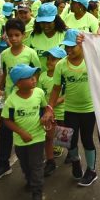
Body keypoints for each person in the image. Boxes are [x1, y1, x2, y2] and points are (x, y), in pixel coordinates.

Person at [41, 29, 98, 187]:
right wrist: (49, 108)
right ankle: (75, 160)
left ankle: (91, 171)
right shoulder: (61, 65)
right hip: (69, 109)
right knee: (68, 141)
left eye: (72, 47)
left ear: (81, 45)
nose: (68, 50)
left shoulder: (91, 60)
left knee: (87, 140)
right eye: (66, 47)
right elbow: (56, 88)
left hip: (89, 109)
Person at [0, 18, 41, 181]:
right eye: (10, 35)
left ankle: (35, 166)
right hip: (10, 100)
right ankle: (3, 164)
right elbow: (5, 73)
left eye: (17, 35)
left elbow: (37, 73)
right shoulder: (4, 54)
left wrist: (34, 92)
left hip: (27, 100)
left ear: (23, 35)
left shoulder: (30, 53)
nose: (13, 39)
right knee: (5, 130)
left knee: (30, 130)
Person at [2, 64, 47, 200]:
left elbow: (45, 108)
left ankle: (37, 192)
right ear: (18, 83)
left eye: (34, 76)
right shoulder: (11, 100)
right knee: (25, 165)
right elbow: (6, 120)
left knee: (36, 165)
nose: (34, 79)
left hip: (38, 137)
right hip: (21, 141)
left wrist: (47, 116)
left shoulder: (39, 93)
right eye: (29, 77)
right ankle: (29, 180)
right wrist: (21, 132)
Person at [37, 47, 67, 176]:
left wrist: (53, 103)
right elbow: (39, 93)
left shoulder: (64, 75)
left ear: (61, 61)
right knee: (48, 137)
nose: (49, 62)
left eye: (53, 59)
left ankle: (72, 155)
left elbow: (67, 94)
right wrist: (46, 107)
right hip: (48, 112)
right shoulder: (42, 76)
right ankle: (50, 161)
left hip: (63, 111)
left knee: (64, 137)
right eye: (48, 59)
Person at [28, 3, 67, 71]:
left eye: (49, 22)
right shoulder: (33, 36)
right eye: (42, 22)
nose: (45, 25)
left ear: (56, 20)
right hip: (39, 79)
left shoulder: (65, 35)